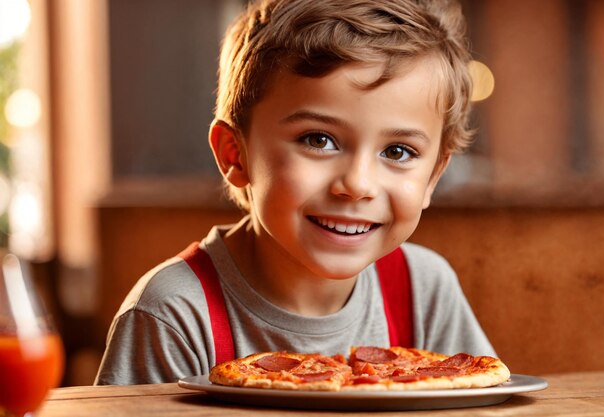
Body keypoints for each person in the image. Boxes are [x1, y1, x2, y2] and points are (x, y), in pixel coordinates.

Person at [95, 0, 495, 385]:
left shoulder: (423, 287)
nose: (357, 184)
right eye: (318, 140)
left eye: (397, 151)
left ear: (432, 178)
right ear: (235, 155)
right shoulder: (175, 313)